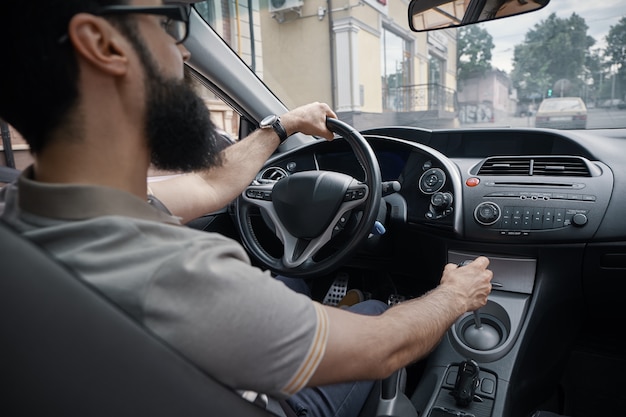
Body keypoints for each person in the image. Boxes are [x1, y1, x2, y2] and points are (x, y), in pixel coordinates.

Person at [0, 1, 494, 417]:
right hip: (262, 399)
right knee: (374, 310)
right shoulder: (176, 271)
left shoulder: (25, 209)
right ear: (104, 45)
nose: (184, 51)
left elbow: (213, 181)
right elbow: (385, 346)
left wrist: (284, 124)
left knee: (295, 281)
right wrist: (455, 294)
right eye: (169, 25)